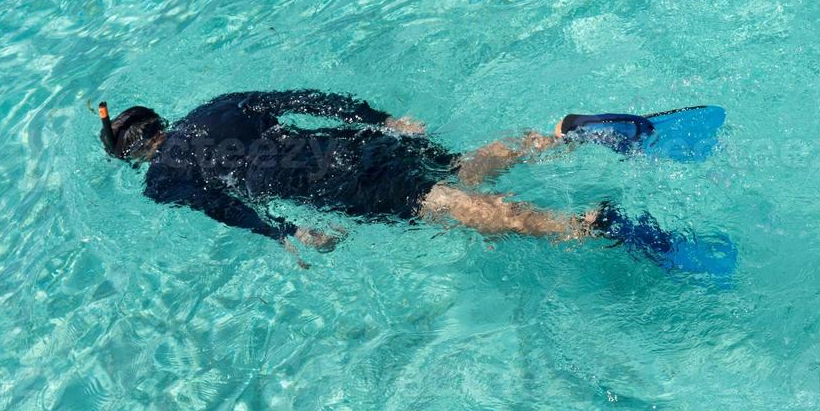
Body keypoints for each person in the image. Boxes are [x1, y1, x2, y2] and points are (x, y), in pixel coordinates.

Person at [96, 90, 736, 274]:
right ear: (161, 118)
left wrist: (283, 230)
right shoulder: (215, 108)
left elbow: (218, 206)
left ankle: (591, 226)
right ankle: (568, 132)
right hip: (359, 144)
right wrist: (382, 119)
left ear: (134, 156)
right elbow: (308, 99)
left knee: (469, 211)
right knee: (456, 171)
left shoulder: (164, 179)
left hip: (339, 184)